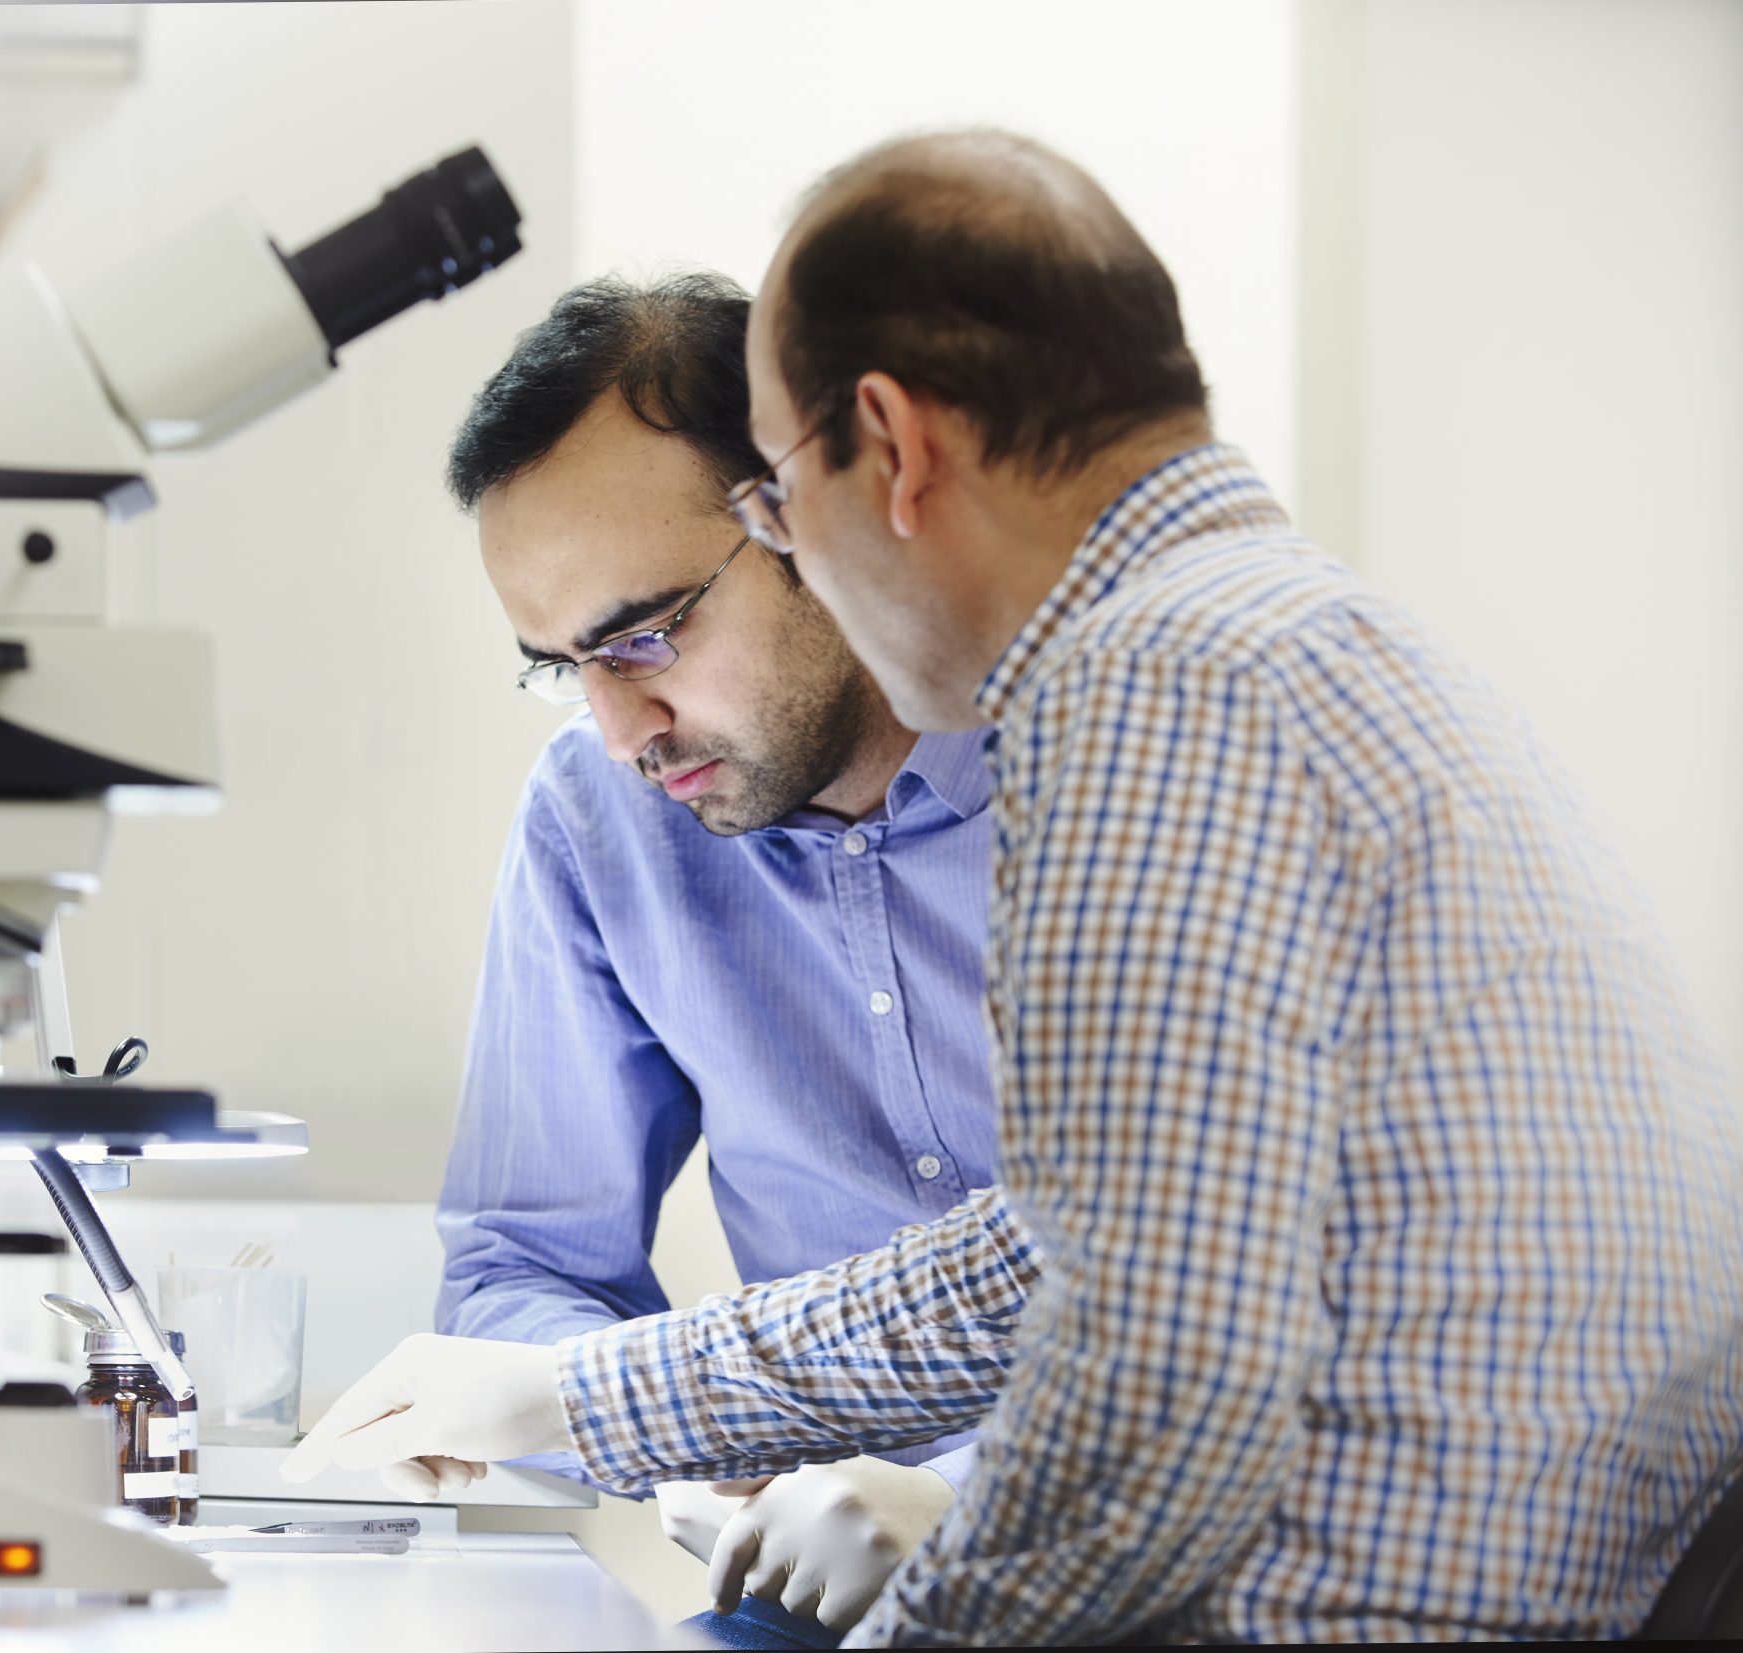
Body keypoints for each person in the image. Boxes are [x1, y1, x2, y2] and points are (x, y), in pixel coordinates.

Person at [288, 129, 1743, 1644]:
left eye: (783, 502)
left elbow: (1133, 1396)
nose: (617, 720)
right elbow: (1084, 1247)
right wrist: (597, 1396)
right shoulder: (1263, 641)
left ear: (892, 449)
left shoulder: (1157, 686)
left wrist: (888, 1528)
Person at [432, 272, 1002, 1646]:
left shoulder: (1136, 766)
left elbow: (1188, 1291)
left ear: (816, 520)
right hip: (807, 1592)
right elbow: (516, 1258)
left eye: (644, 633)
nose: (622, 726)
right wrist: (692, 1438)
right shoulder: (599, 814)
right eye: (558, 662)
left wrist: (978, 1506)